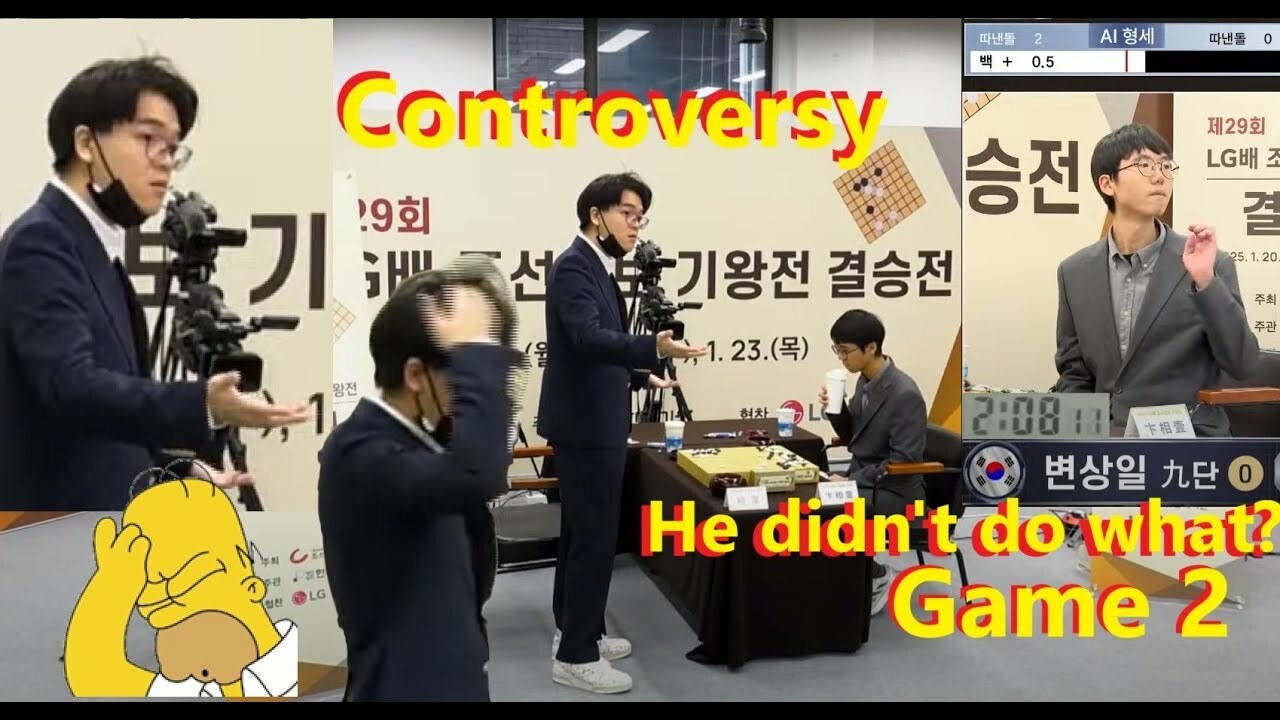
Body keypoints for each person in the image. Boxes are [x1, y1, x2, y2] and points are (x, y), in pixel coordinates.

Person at [0, 56, 309, 511]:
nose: (164, 162)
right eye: (148, 139)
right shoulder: (42, 240)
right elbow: (70, 389)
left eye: (173, 147)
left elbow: (102, 427)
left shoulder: (96, 250)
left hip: (101, 531)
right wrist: (204, 404)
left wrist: (177, 468)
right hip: (48, 533)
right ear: (86, 143)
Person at [538, 172, 706, 694]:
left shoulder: (596, 266)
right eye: (628, 214)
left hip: (594, 419)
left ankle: (577, 629)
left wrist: (640, 375)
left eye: (640, 217)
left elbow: (596, 351)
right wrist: (653, 347)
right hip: (586, 427)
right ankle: (575, 657)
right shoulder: (574, 267)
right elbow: (588, 339)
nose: (635, 226)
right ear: (597, 215)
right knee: (592, 539)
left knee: (581, 535)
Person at [318, 269, 518, 702]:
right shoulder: (360, 452)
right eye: (464, 368)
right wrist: (481, 356)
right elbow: (478, 475)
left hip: (449, 666)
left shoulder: (422, 437)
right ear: (415, 375)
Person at [1054, 123, 1260, 437]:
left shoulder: (1209, 263)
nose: (1160, 176)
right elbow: (1074, 375)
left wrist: (1205, 281)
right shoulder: (1074, 272)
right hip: (1107, 441)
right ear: (1108, 184)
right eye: (1145, 165)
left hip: (1189, 440)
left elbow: (1242, 364)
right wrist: (1081, 439)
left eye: (1165, 165)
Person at [66, 477, 298, 698]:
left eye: (180, 577)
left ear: (251, 588)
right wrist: (113, 586)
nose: (154, 591)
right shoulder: (199, 680)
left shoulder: (298, 665)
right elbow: (95, 677)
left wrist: (115, 586)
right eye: (141, 578)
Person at [818, 309, 926, 616]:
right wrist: (836, 408)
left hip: (896, 491)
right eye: (837, 350)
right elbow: (854, 436)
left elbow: (903, 461)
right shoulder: (866, 379)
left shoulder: (904, 394)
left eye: (845, 351)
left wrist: (850, 482)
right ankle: (846, 577)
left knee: (826, 507)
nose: (841, 358)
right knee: (812, 499)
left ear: (871, 347)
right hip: (866, 478)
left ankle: (875, 575)